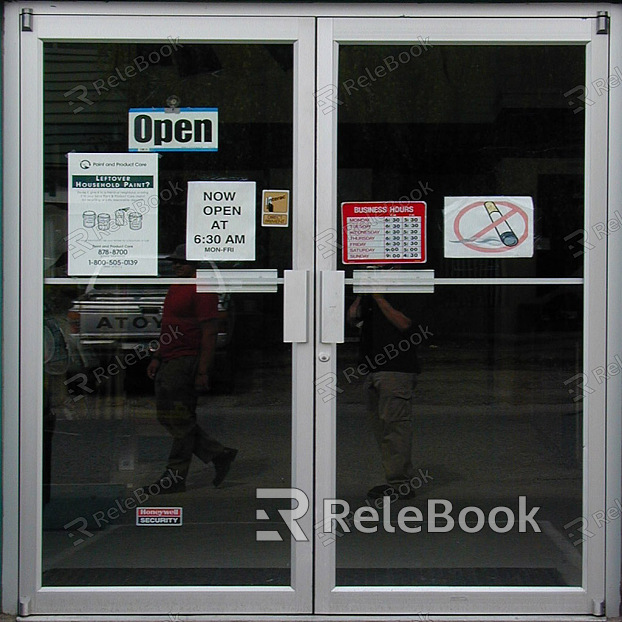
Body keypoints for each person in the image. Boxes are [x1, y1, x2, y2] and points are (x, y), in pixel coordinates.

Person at [147, 244, 237, 493]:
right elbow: (168, 326)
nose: (177, 265)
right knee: (170, 416)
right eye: (175, 261)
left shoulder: (201, 288)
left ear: (194, 264)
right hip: (170, 359)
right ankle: (218, 454)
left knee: (179, 417)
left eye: (182, 262)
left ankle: (175, 476)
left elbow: (209, 333)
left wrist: (202, 371)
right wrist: (158, 356)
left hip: (186, 361)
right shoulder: (178, 286)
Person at [347, 276, 420, 502]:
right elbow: (352, 317)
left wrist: (379, 296)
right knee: (381, 427)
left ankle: (401, 484)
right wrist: (362, 291)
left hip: (396, 367)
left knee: (395, 427)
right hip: (371, 367)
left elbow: (404, 323)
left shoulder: (409, 287)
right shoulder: (369, 296)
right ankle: (395, 479)